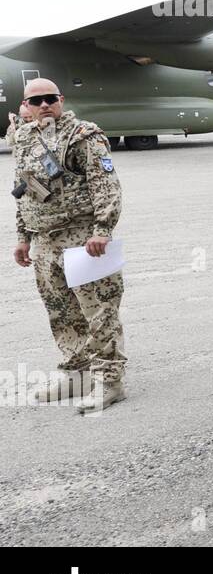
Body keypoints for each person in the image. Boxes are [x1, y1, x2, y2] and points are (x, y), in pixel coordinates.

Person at [11, 79, 126, 412]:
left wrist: (102, 230)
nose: (44, 105)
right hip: (45, 243)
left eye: (50, 99)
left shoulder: (83, 135)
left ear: (61, 100)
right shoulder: (24, 137)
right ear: (27, 106)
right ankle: (76, 373)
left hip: (83, 240)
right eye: (36, 101)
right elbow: (24, 189)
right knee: (62, 314)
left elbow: (105, 184)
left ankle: (109, 381)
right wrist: (23, 237)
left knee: (100, 313)